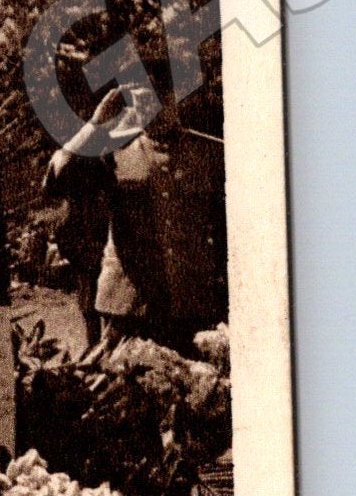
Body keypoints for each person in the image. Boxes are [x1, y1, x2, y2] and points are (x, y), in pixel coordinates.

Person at [43, 82, 227, 354]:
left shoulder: (211, 153)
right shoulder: (113, 150)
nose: (153, 108)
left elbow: (229, 230)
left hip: (190, 303)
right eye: (144, 100)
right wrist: (95, 125)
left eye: (163, 97)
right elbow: (57, 180)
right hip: (127, 306)